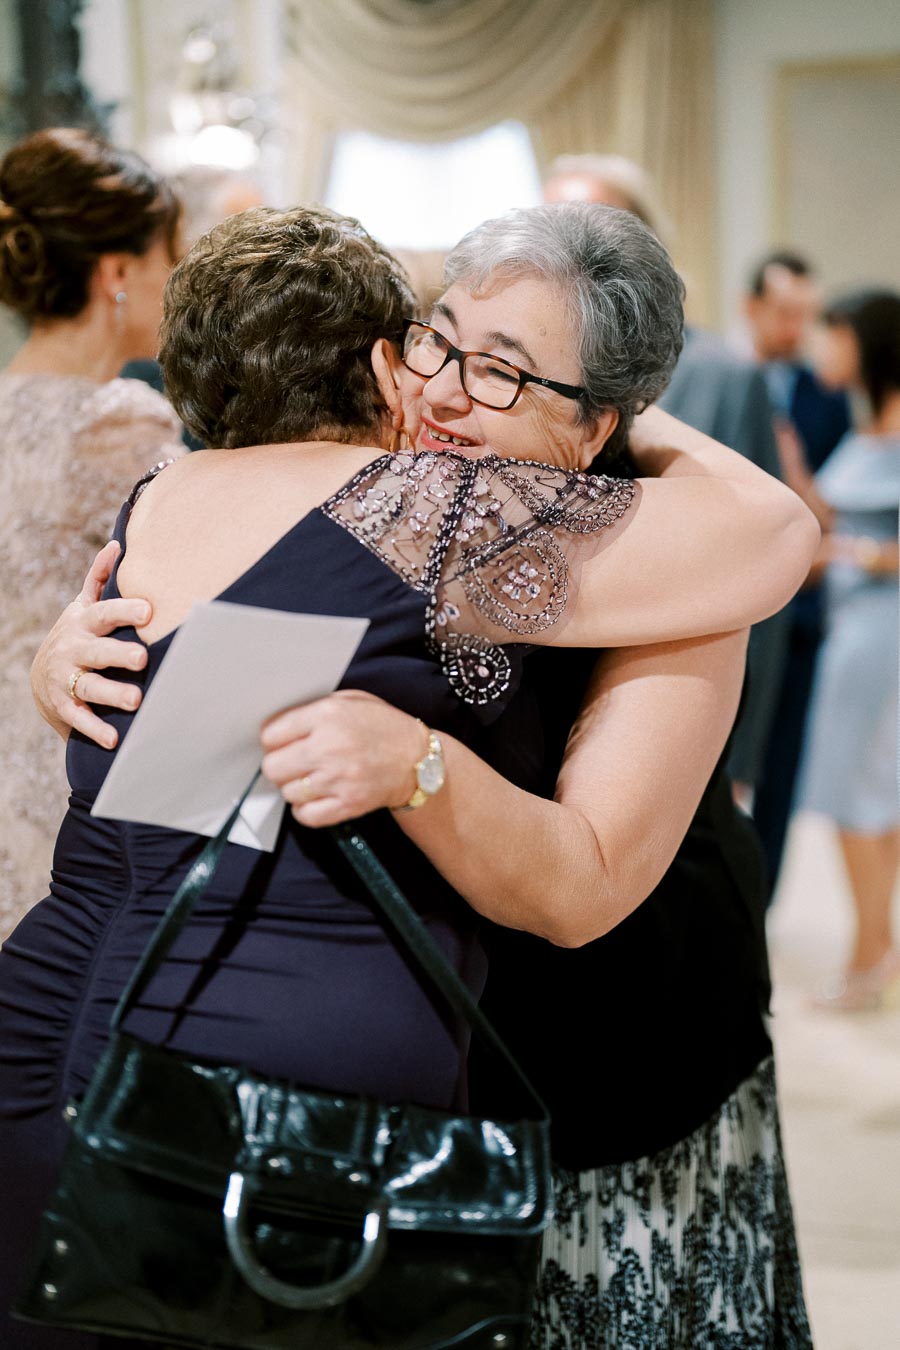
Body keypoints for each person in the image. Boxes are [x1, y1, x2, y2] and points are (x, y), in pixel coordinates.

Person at [27, 203, 818, 1349]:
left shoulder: (686, 566)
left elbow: (582, 888)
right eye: (437, 339)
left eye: (500, 372)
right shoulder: (402, 507)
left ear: (598, 427)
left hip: (608, 1058)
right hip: (412, 1048)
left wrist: (422, 766)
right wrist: (100, 647)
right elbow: (210, 761)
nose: (438, 391)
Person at [0, 127, 184, 938]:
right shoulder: (117, 421)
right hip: (59, 750)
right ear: (116, 272)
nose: (175, 280)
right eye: (168, 256)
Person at [797, 290, 900, 1010]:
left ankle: (870, 956)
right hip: (857, 628)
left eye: (833, 335)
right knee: (870, 796)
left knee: (856, 797)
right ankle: (876, 946)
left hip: (877, 634)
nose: (822, 350)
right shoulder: (865, 423)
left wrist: (851, 555)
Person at [744, 251, 852, 896]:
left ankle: (763, 907)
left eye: (805, 316)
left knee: (782, 775)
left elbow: (834, 513)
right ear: (751, 307)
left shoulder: (826, 396)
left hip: (805, 613)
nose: (794, 328)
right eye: (784, 312)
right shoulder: (711, 379)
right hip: (729, 606)